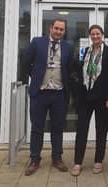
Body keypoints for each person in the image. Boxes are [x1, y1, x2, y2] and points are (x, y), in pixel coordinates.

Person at [22, 18, 74, 176]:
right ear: (50, 28)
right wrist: (36, 77)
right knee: (37, 128)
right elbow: (25, 63)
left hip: (59, 93)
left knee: (57, 127)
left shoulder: (68, 47)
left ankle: (57, 158)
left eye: (61, 29)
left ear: (64, 31)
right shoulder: (37, 42)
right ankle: (35, 159)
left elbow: (70, 68)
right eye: (56, 28)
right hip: (40, 93)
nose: (58, 31)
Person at [70, 25, 108, 176]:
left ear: (102, 35)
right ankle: (77, 162)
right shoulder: (86, 51)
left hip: (102, 98)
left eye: (97, 34)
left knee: (101, 130)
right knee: (81, 130)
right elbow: (80, 71)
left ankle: (98, 161)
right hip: (85, 96)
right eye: (92, 34)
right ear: (90, 36)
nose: (95, 36)